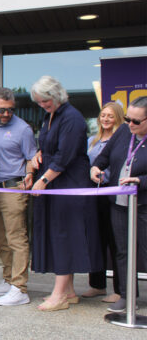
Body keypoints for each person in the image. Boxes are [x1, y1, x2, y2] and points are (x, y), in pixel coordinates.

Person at [30, 76, 102, 312]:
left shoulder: (72, 118)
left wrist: (43, 179)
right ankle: (69, 291)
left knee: (63, 235)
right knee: (56, 232)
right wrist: (37, 155)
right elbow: (49, 146)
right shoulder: (49, 115)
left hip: (68, 182)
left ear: (56, 95)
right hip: (54, 181)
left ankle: (59, 294)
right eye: (39, 102)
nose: (42, 105)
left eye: (45, 101)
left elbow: (64, 156)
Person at [0, 88, 36, 306]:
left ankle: (20, 288)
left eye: (11, 110)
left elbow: (31, 158)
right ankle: (8, 279)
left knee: (16, 238)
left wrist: (30, 174)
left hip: (13, 188)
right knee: (1, 239)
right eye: (2, 110)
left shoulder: (23, 129)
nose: (6, 114)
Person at [91, 96, 147, 313]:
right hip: (119, 203)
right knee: (122, 251)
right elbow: (102, 158)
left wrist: (140, 180)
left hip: (143, 203)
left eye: (136, 121)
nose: (130, 124)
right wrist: (95, 169)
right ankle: (126, 295)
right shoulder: (124, 131)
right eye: (128, 119)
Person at [82, 102, 124, 303]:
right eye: (103, 115)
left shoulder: (122, 141)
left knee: (116, 243)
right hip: (93, 195)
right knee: (95, 240)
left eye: (110, 116)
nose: (106, 119)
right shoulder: (92, 140)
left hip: (113, 195)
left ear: (118, 118)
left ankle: (120, 290)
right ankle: (97, 285)